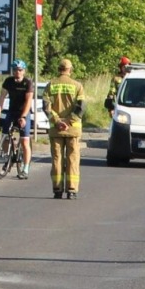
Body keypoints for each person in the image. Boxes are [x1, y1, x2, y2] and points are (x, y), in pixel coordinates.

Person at [45, 58, 85, 200]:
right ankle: (72, 190)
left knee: (57, 159)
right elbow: (80, 108)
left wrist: (57, 121)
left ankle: (57, 189)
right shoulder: (78, 86)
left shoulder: (51, 85)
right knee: (73, 159)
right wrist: (68, 121)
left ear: (59, 69)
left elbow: (46, 107)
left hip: (56, 130)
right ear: (70, 70)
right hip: (73, 129)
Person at [0, 60, 36, 178]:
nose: (17, 72)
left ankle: (25, 169)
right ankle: (7, 156)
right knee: (5, 136)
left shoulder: (27, 82)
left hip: (24, 112)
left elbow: (29, 101)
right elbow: (2, 97)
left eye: (19, 70)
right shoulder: (8, 81)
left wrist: (23, 117)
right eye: (15, 70)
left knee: (24, 141)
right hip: (12, 112)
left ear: (23, 71)